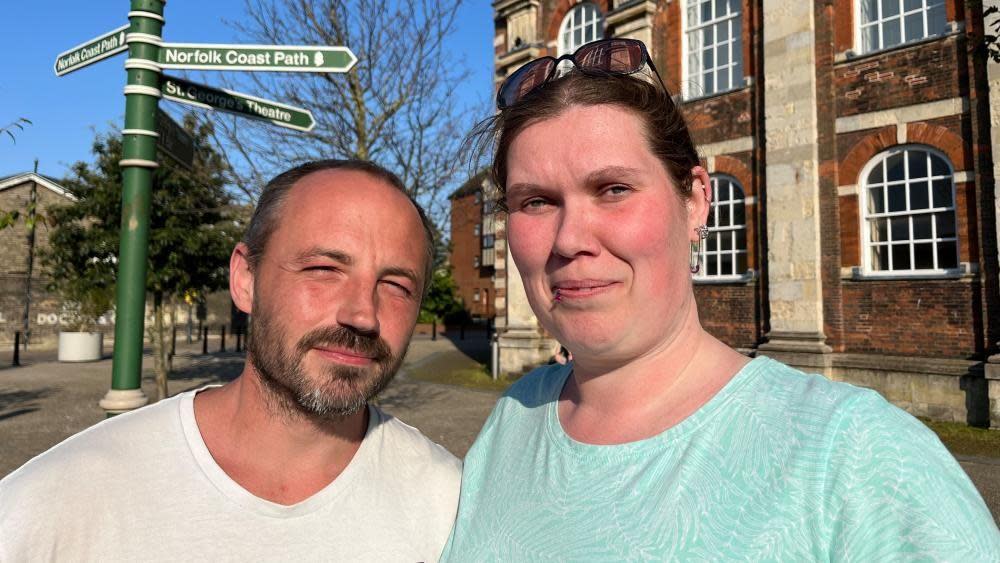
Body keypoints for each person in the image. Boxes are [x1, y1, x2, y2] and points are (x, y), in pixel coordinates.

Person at [442, 38, 1000, 560]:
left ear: (695, 203)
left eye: (613, 189)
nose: (570, 239)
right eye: (536, 201)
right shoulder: (513, 418)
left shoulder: (860, 458)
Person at [0, 160, 462, 561]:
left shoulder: (450, 506)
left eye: (397, 286)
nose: (362, 313)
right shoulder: (57, 501)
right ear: (245, 279)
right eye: (324, 269)